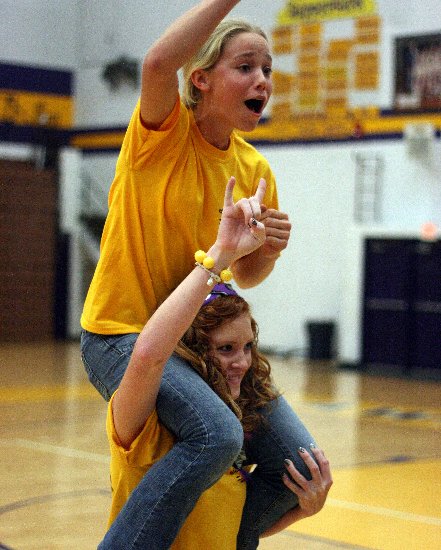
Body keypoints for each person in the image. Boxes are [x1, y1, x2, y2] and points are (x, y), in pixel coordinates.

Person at [80, 1, 319, 547]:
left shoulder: (255, 168)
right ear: (201, 79)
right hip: (120, 335)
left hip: (197, 346)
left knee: (299, 463)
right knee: (217, 435)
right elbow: (157, 63)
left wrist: (268, 250)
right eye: (245, 66)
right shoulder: (163, 133)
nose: (262, 80)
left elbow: (246, 276)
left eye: (267, 69)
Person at [101, 179, 332, 548]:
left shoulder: (238, 433)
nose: (242, 362)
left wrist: (304, 510)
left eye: (248, 347)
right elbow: (147, 356)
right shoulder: (143, 424)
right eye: (226, 349)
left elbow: (234, 527)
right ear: (192, 351)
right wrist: (222, 254)